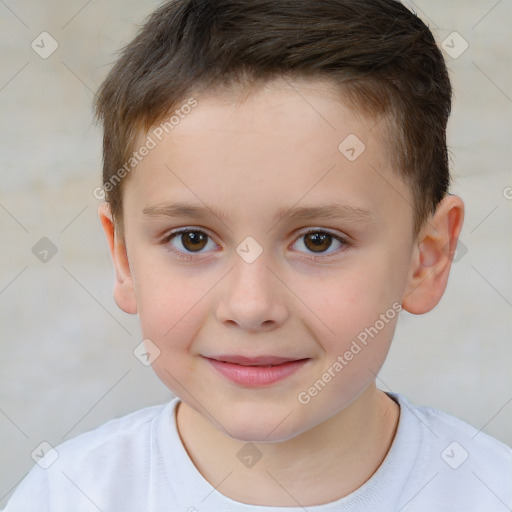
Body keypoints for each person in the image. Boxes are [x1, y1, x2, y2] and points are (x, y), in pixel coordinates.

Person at [4, 0, 511, 510]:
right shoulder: (67, 495)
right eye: (192, 239)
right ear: (124, 257)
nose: (250, 307)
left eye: (318, 240)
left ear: (426, 258)